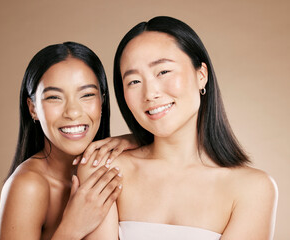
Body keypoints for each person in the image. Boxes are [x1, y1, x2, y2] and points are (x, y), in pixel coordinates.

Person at [78, 16, 278, 239]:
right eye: (134, 81)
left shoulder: (253, 189)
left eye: (163, 72)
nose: (150, 93)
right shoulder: (104, 170)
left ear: (201, 75)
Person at [0, 42, 138, 240]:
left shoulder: (114, 164)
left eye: (87, 95)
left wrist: (136, 138)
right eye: (54, 97)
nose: (72, 112)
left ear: (102, 102)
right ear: (33, 109)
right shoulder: (28, 186)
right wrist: (73, 227)